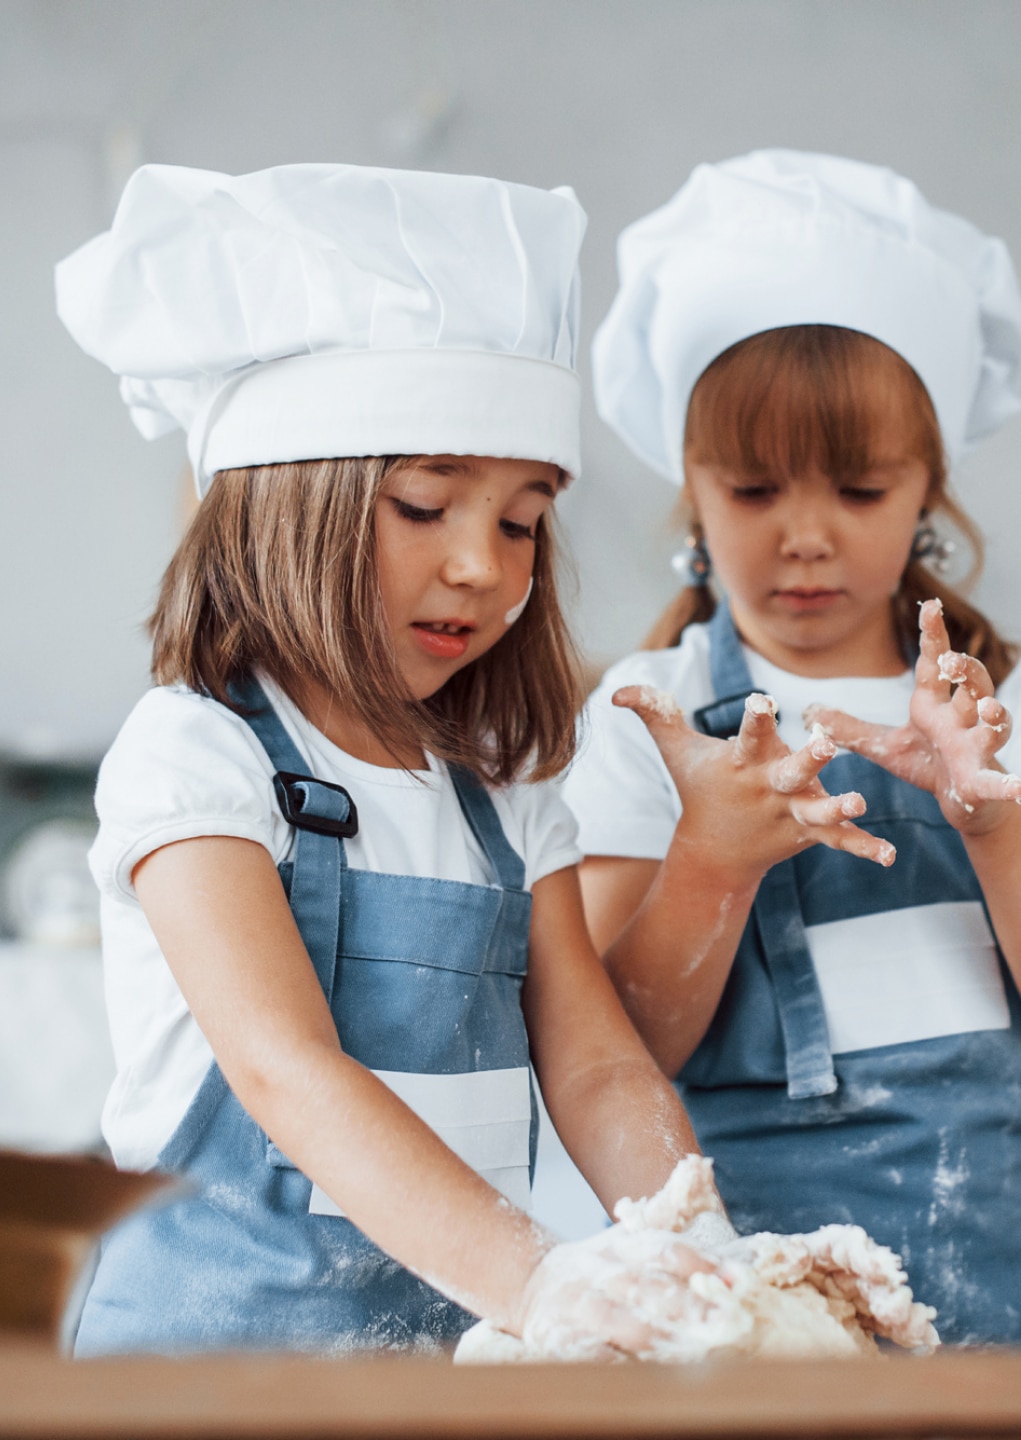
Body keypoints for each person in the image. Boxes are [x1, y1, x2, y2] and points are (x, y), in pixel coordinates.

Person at [56, 163, 717, 1357]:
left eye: (520, 521)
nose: (483, 566)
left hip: (431, 1378)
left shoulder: (507, 796)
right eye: (423, 506)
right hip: (200, 1392)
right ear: (284, 508)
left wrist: (704, 1265)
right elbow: (286, 1071)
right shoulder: (198, 756)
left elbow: (598, 1070)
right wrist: (542, 1284)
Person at [564, 150, 1021, 1347]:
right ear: (692, 489)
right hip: (744, 1322)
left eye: (861, 490)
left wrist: (991, 815)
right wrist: (712, 862)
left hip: (991, 1321)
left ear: (928, 489)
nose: (806, 536)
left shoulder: (1003, 702)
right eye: (755, 489)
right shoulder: (654, 709)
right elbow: (615, 1048)